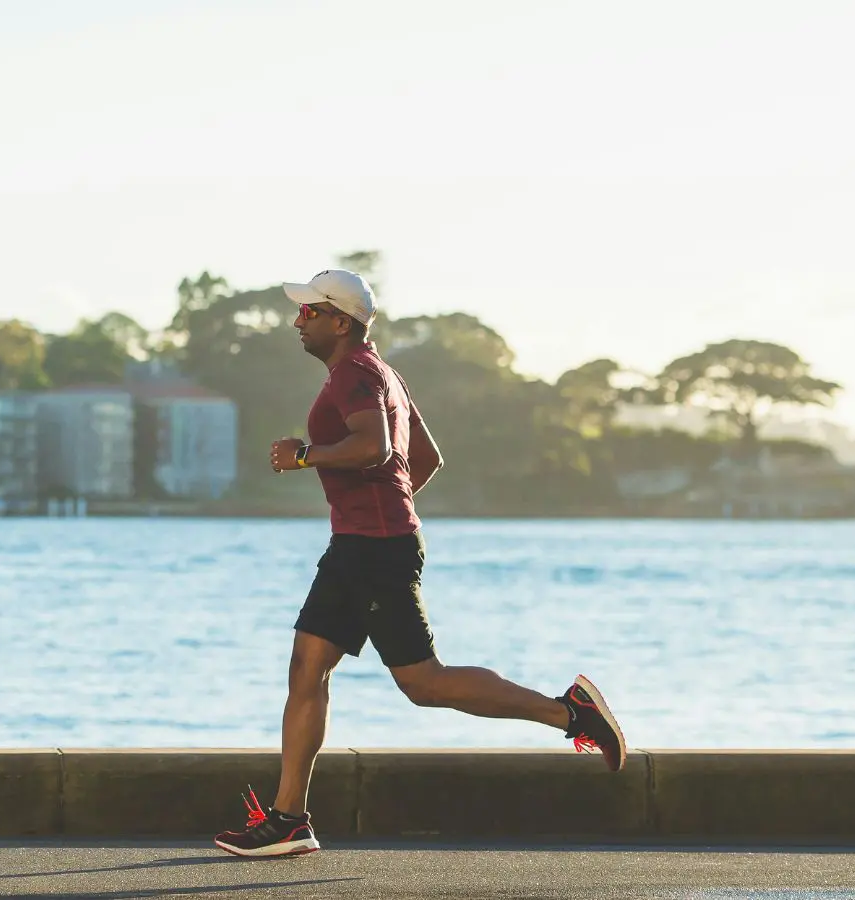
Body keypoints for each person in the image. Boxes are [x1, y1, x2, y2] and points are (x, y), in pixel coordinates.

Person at [214, 269, 626, 858]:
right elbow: (425, 458)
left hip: (372, 549)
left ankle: (571, 714)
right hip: (363, 544)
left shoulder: (355, 374)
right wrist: (386, 506)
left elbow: (376, 447)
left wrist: (306, 456)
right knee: (309, 667)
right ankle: (289, 820)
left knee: (423, 682)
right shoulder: (382, 373)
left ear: (340, 321)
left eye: (309, 312)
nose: (297, 321)